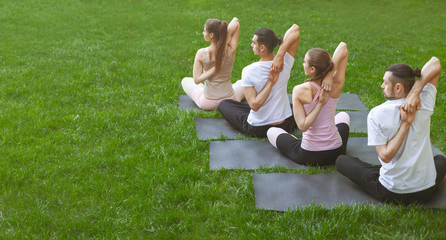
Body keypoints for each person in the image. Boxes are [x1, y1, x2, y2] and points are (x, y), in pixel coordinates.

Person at [336, 57, 446, 204]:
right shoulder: (424, 102)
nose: (382, 85)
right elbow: (435, 62)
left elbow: (386, 156)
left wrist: (405, 124)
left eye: (385, 83)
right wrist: (416, 92)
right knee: (440, 160)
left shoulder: (376, 114)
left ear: (398, 87)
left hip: (392, 192)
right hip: (426, 191)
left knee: (342, 160)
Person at [267, 42, 350, 166]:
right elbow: (343, 47)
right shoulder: (335, 84)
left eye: (305, 62)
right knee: (344, 115)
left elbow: (303, 126)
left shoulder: (299, 90)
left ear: (312, 69)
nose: (303, 64)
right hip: (336, 152)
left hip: (309, 154)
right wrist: (329, 75)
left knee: (271, 131)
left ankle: (297, 142)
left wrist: (320, 104)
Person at [217, 24, 300, 138]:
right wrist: (280, 55)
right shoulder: (285, 63)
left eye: (254, 43)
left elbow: (254, 105)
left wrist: (270, 83)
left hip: (259, 128)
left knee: (224, 104)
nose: (251, 45)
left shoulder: (248, 71)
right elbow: (295, 29)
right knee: (292, 106)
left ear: (262, 48)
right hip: (284, 125)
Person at [181, 17, 244, 110]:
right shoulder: (231, 50)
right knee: (243, 82)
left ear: (211, 35)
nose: (203, 33)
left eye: (204, 31)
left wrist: (214, 69)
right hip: (231, 100)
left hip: (208, 103)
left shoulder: (201, 53)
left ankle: (203, 90)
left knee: (186, 80)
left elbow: (197, 80)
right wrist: (224, 41)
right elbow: (236, 21)